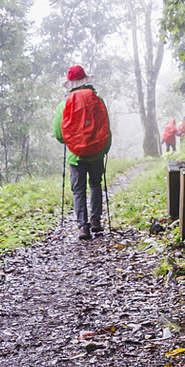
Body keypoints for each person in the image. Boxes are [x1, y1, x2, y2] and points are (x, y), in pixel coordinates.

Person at [54, 65, 111, 241]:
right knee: (95, 185)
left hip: (75, 155)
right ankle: (95, 221)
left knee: (78, 190)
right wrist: (104, 149)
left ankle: (83, 227)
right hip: (96, 153)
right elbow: (106, 127)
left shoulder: (64, 105)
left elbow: (59, 133)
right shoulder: (98, 100)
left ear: (70, 84)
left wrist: (72, 143)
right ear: (86, 81)